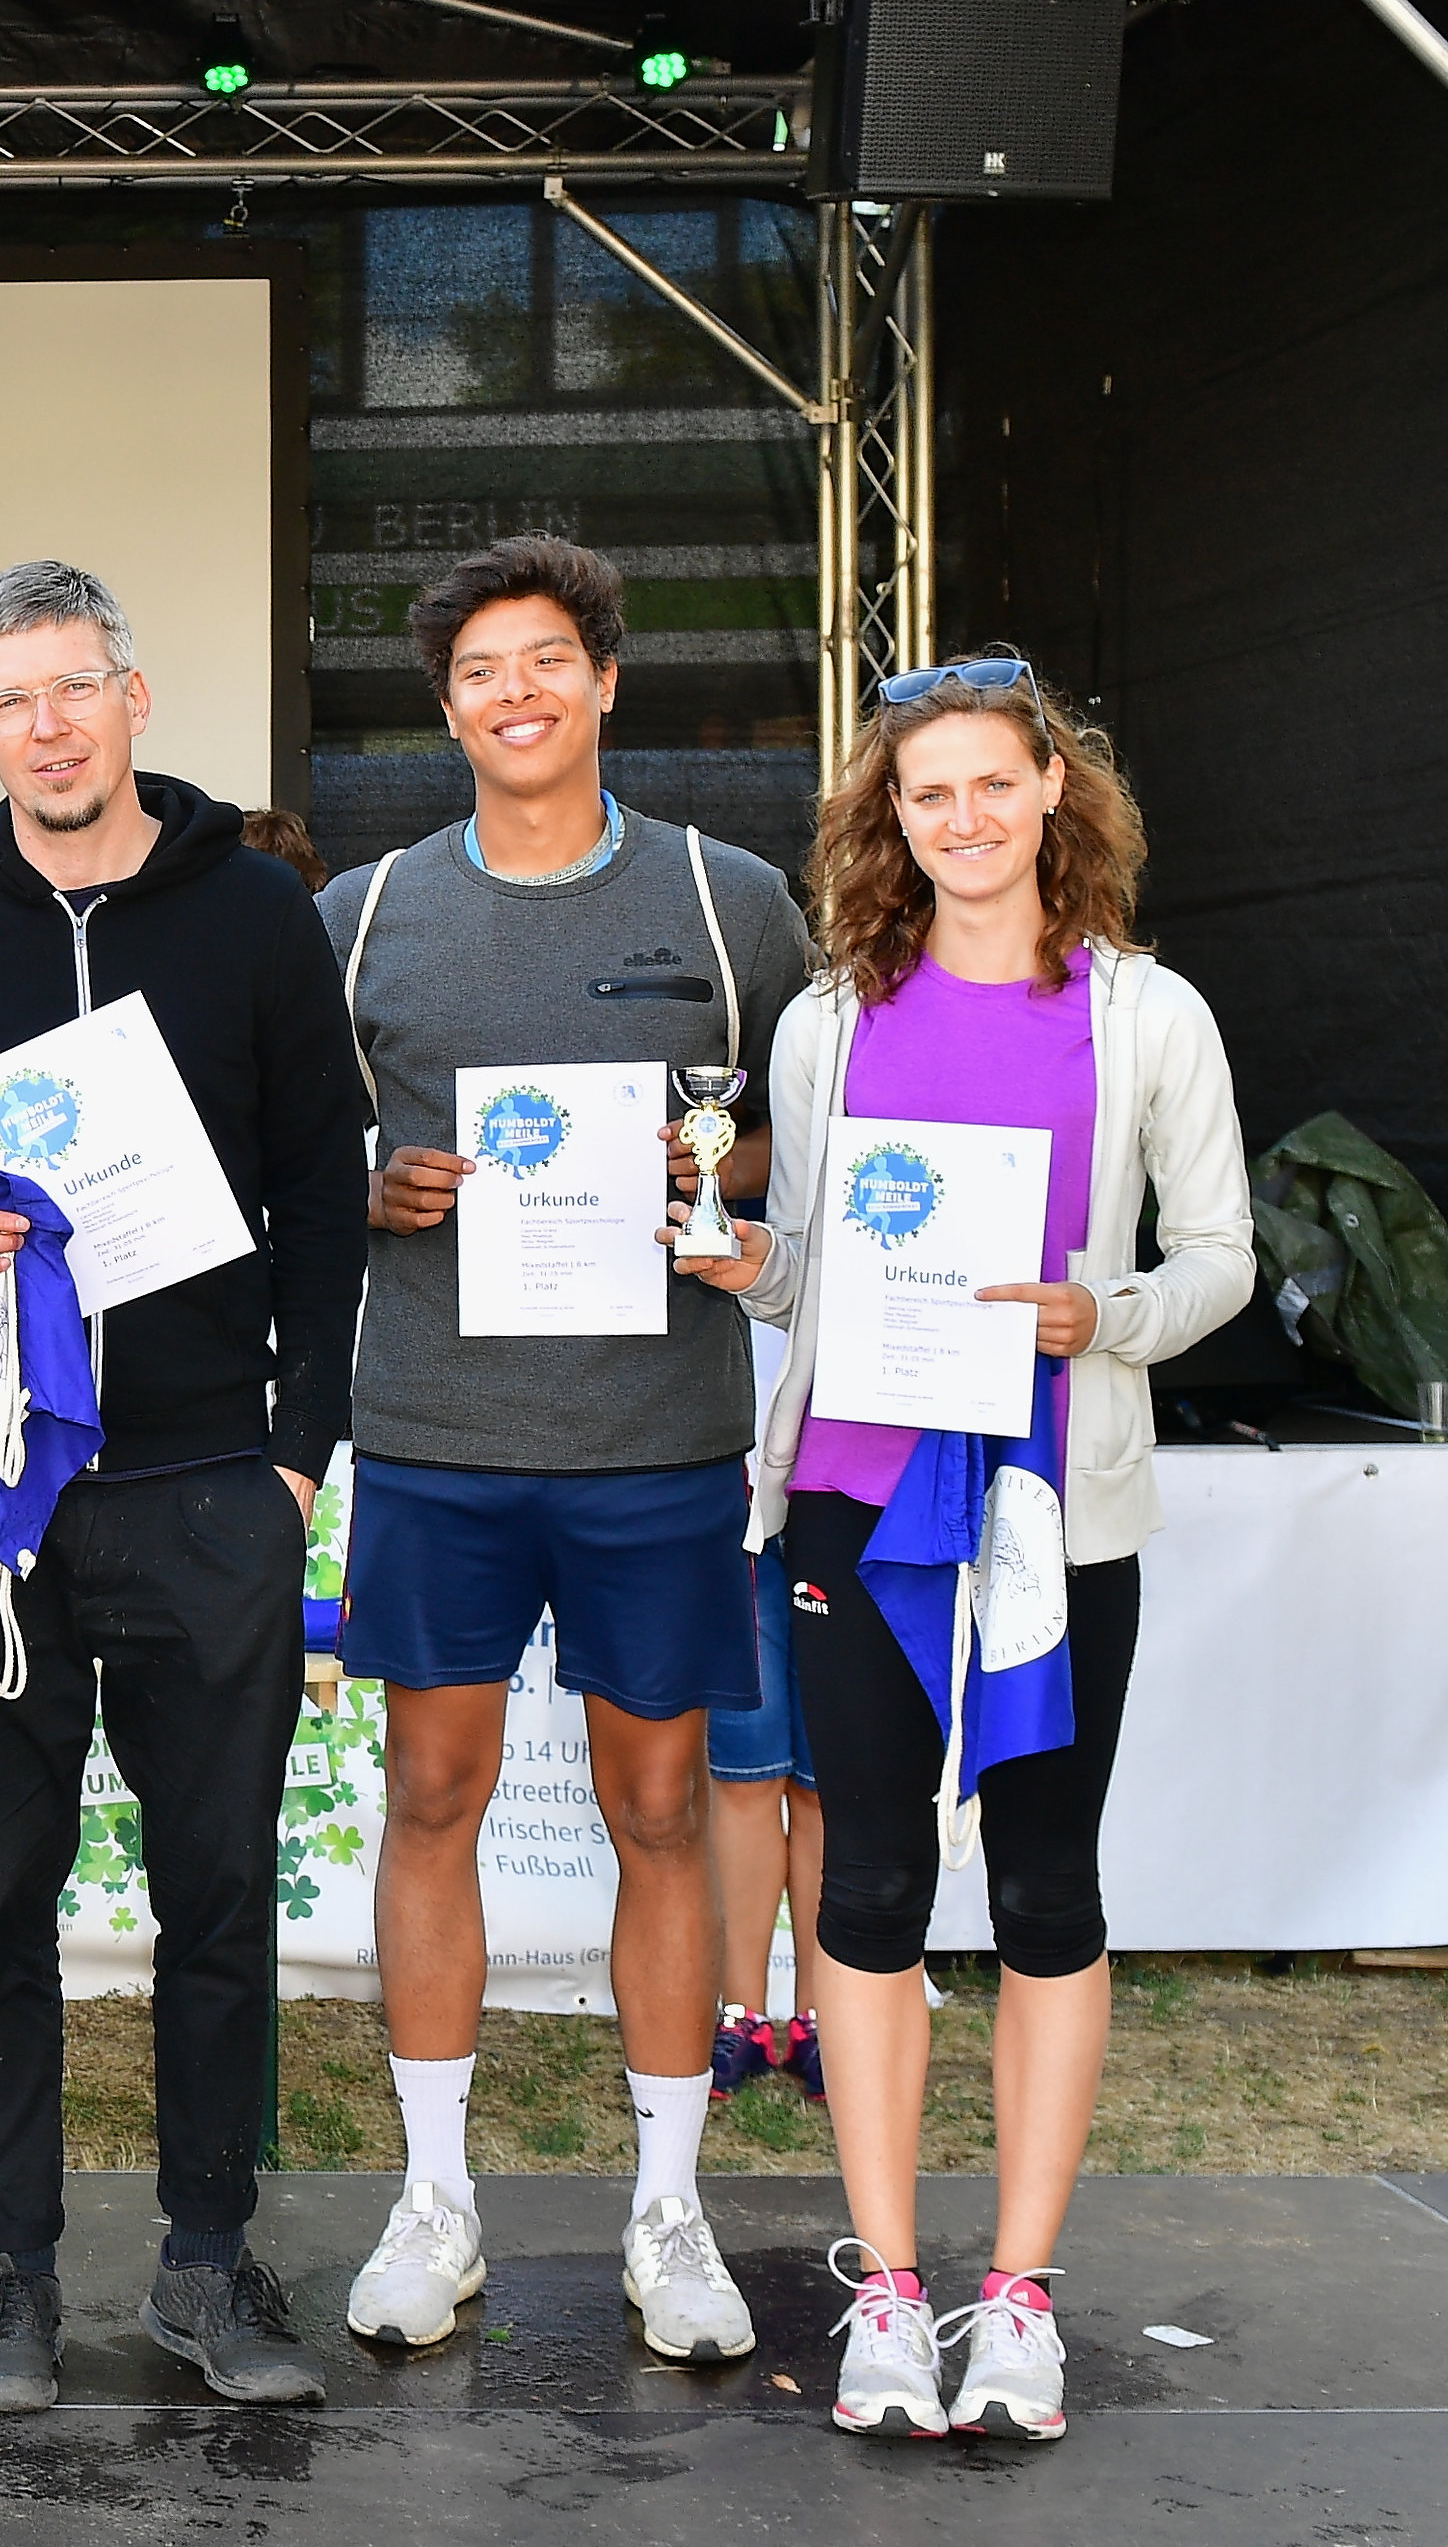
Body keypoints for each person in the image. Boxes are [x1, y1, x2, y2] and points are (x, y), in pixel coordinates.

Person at [674, 652, 1249, 2445]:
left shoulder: (1151, 1013)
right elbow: (821, 1280)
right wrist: (737, 1260)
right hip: (856, 1494)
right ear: (891, 820)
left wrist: (1112, 1311)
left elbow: (1221, 1255)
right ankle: (888, 2290)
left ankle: (1016, 2299)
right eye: (931, 794)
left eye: (995, 784)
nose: (967, 818)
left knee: (1050, 1890)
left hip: (1054, 1511)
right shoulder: (831, 1020)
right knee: (865, 1896)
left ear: (1053, 794)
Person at [0, 558, 367, 2411]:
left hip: (215, 1482)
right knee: (1, 1893)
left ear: (133, 698)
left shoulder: (258, 919)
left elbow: (324, 1191)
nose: (47, 728)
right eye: (10, 702)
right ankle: (8, 2279)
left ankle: (213, 2267)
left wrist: (301, 1453)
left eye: (75, 689)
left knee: (219, 1894)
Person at [315, 536, 812, 2366]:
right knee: (430, 1802)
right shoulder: (362, 915)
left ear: (605, 681)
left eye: (545, 663)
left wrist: (688, 1174)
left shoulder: (730, 899)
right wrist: (376, 1190)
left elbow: (790, 1144)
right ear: (443, 709)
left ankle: (668, 2215)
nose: (512, 696)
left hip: (657, 1443)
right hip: (437, 1441)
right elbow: (302, 1162)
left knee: (663, 1814)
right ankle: (434, 2198)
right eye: (476, 674)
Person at [707, 1509, 827, 2108]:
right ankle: (741, 2019)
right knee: (744, 1778)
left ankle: (822, 2021)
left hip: (844, 1499)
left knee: (822, 1787)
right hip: (735, 1504)